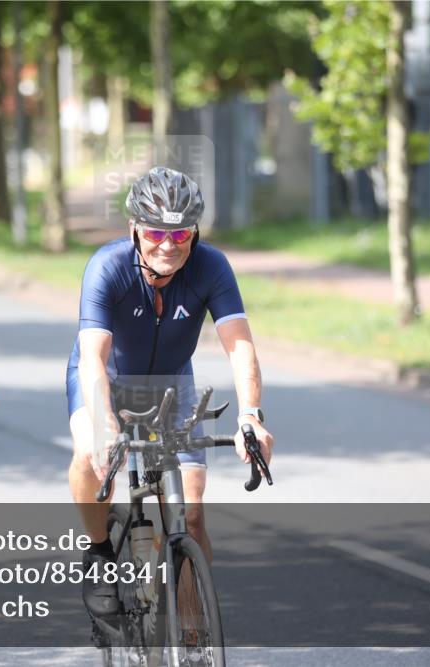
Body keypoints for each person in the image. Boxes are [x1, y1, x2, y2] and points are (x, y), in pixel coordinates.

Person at [66, 166, 275, 616]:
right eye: (156, 233)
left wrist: (251, 415)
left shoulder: (210, 266)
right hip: (106, 377)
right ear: (134, 229)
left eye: (180, 235)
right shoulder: (108, 267)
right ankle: (100, 550)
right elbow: (92, 360)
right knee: (87, 453)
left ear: (194, 234)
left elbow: (240, 346)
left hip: (171, 384)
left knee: (190, 516)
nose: (168, 246)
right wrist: (105, 424)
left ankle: (192, 634)